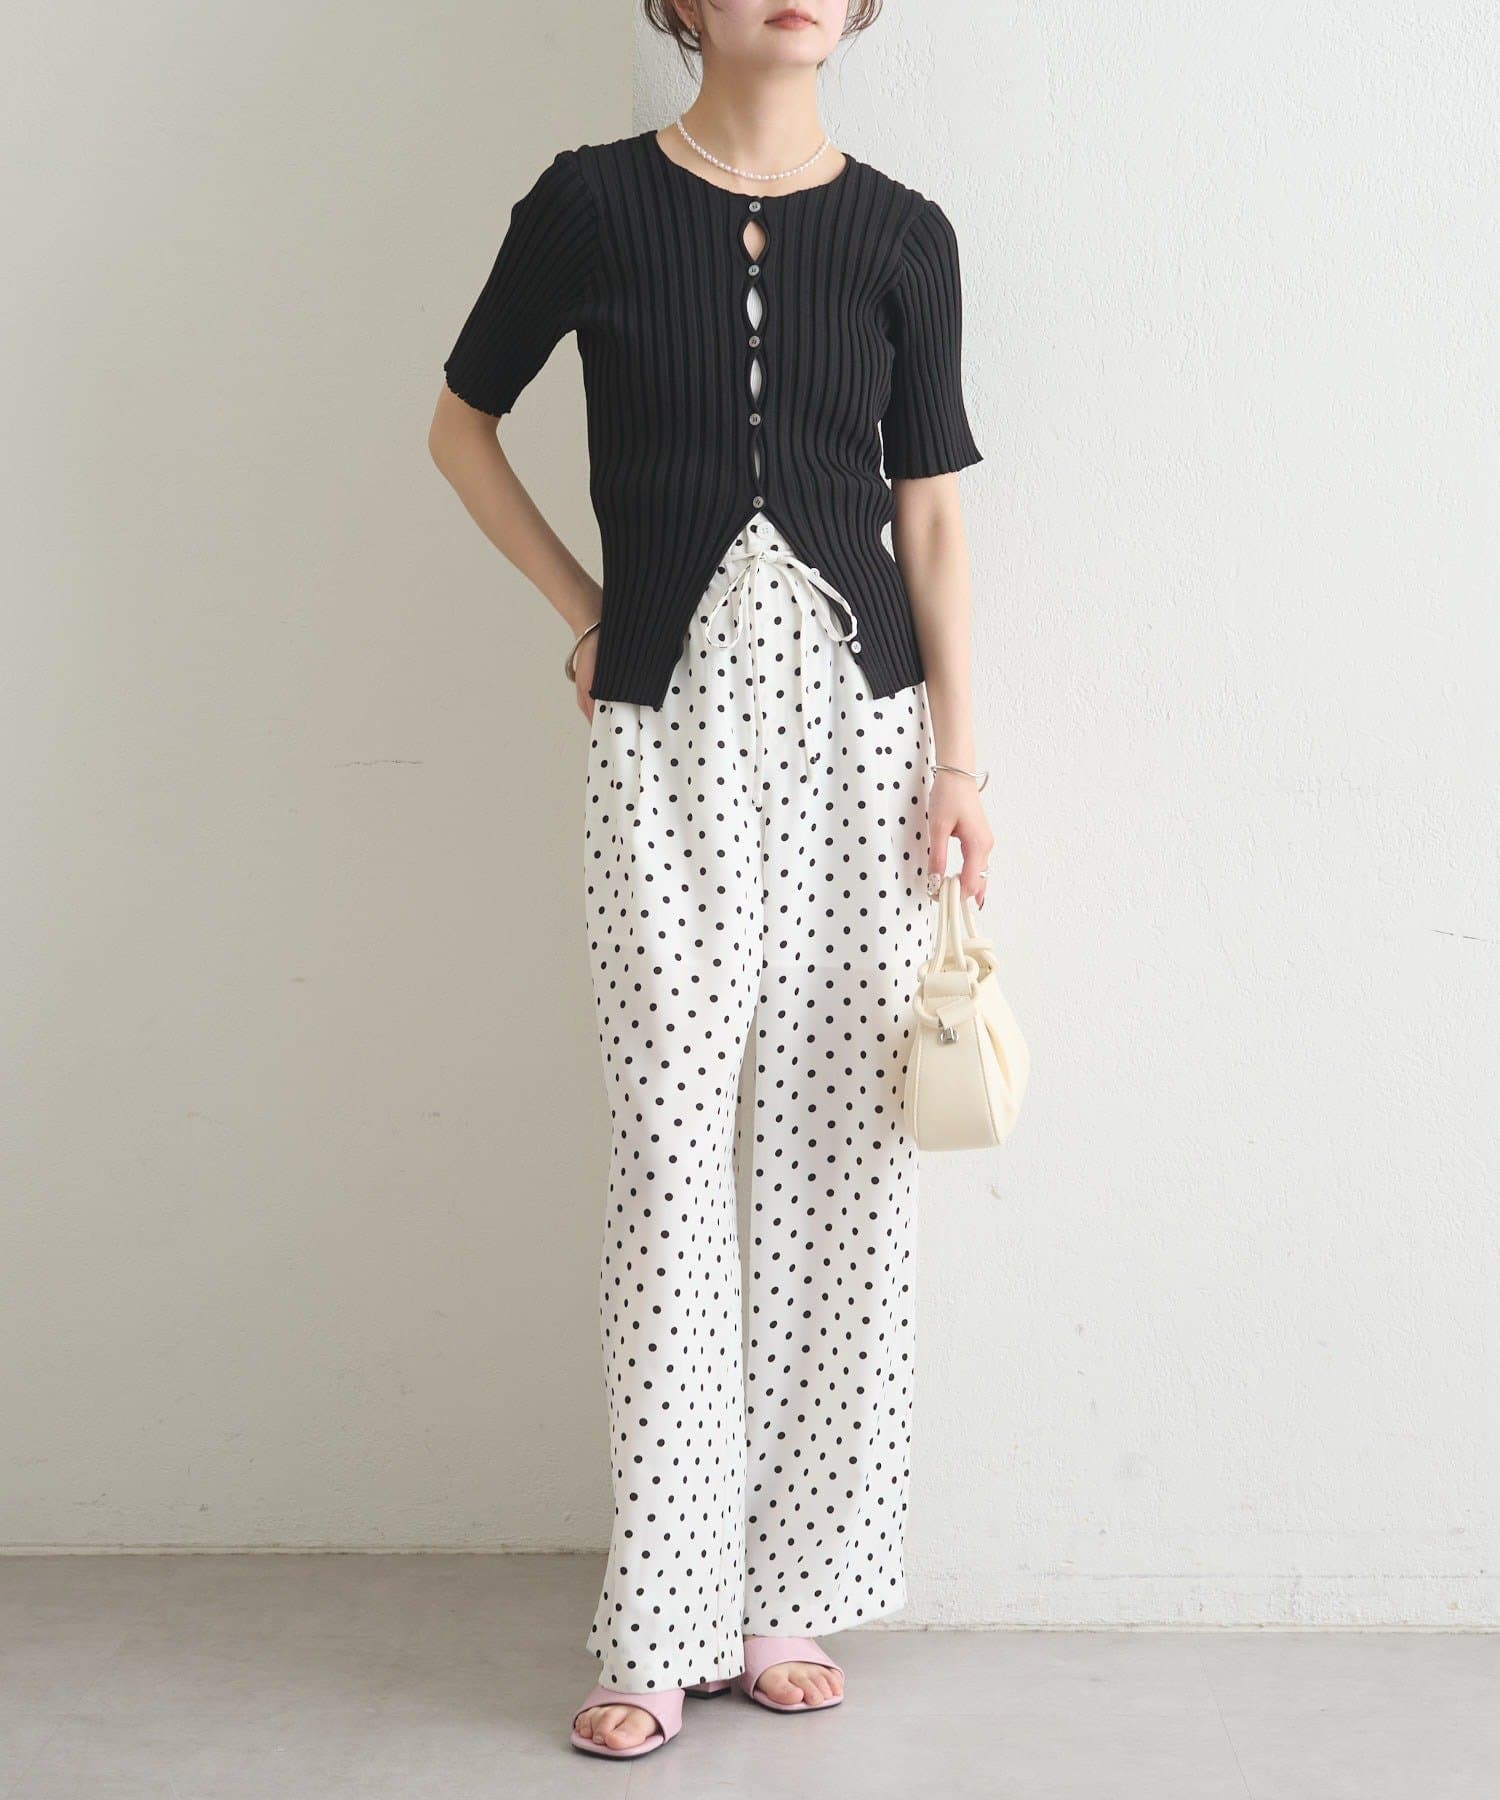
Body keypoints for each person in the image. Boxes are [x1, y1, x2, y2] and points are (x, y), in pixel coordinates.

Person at [428, 0, 992, 1761]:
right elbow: (459, 427)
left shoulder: (903, 235)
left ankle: (786, 1595)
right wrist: (586, 615)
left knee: (846, 1149)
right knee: (671, 1145)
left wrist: (962, 764)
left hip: (865, 734)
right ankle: (660, 1611)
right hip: (663, 718)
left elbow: (932, 516)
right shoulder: (589, 205)